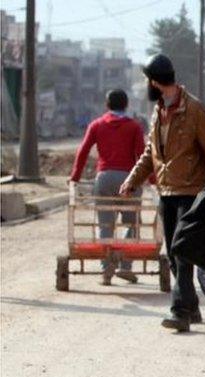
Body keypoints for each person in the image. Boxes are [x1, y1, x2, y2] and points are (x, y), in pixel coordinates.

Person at [119, 54, 205, 332]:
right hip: (166, 190)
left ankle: (179, 311)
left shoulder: (195, 111)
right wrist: (133, 179)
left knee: (181, 251)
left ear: (154, 81)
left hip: (192, 192)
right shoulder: (158, 110)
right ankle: (191, 306)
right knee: (174, 251)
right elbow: (150, 153)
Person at [69, 89, 147, 285]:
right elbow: (142, 156)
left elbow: (83, 151)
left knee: (105, 225)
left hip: (104, 179)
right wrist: (153, 180)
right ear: (126, 105)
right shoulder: (134, 127)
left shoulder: (97, 125)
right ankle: (125, 266)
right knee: (131, 222)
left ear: (107, 105)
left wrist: (74, 177)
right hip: (129, 180)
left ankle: (106, 270)